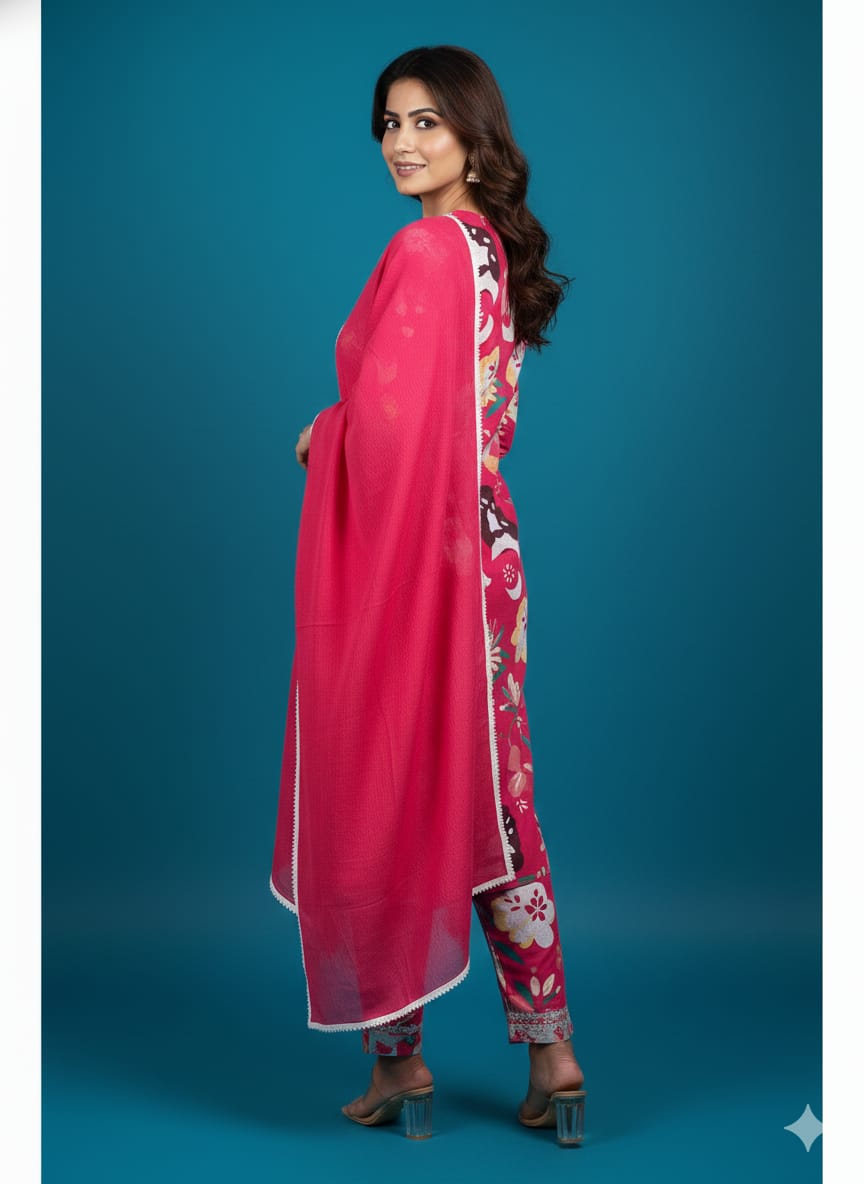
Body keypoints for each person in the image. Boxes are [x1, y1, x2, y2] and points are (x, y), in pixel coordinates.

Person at [270, 45, 587, 1145]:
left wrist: (324, 433)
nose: (401, 144)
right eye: (389, 124)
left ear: (472, 136)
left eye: (426, 123)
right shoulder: (490, 251)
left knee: (386, 774)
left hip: (420, 554)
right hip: (486, 554)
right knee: (494, 795)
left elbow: (392, 429)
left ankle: (399, 1061)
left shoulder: (422, 249)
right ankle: (552, 1051)